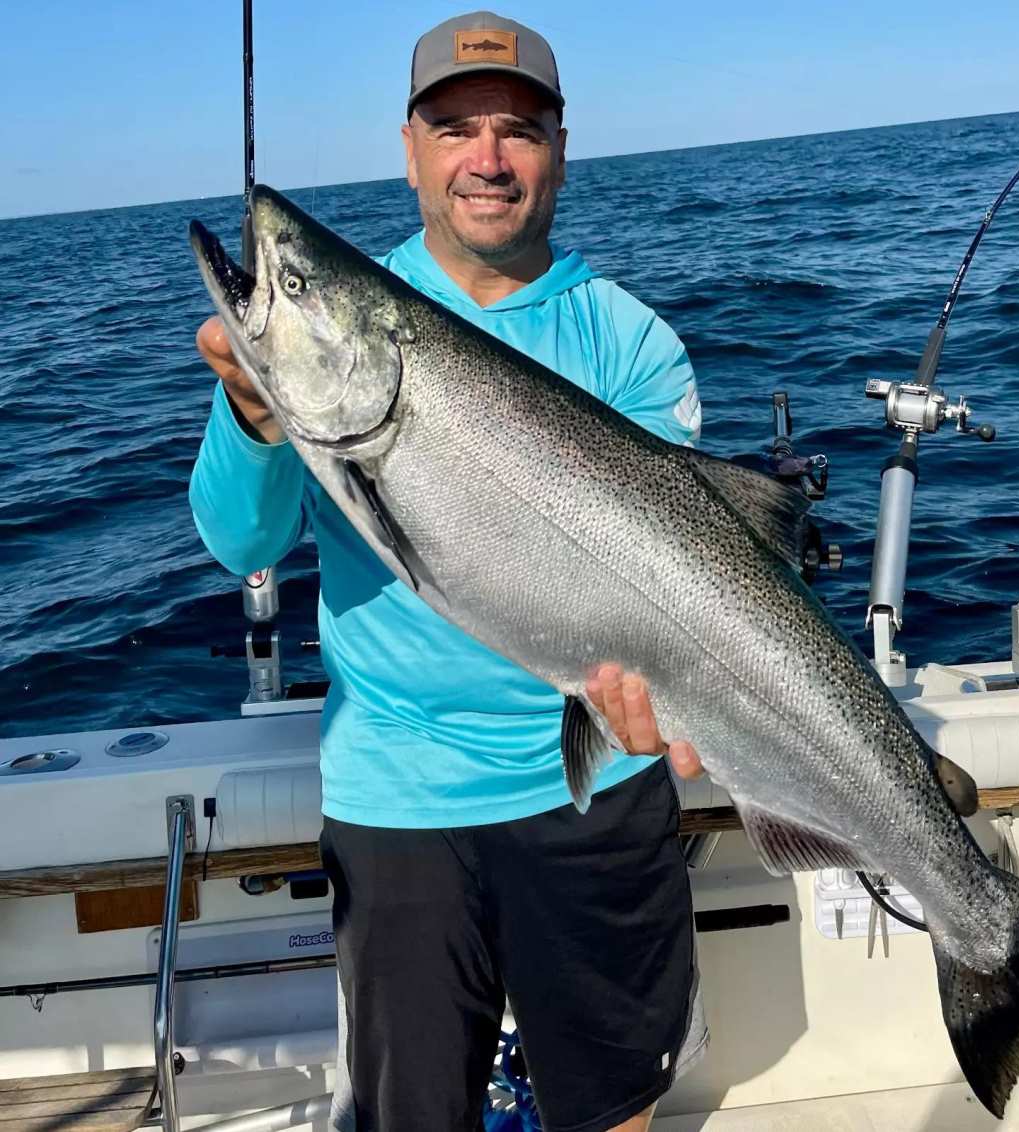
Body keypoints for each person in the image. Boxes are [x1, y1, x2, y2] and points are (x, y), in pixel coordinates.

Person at [189, 10, 707, 1132]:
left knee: (616, 1108)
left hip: (597, 788)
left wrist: (661, 692)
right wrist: (250, 406)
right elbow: (241, 545)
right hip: (400, 795)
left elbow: (694, 573)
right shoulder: (334, 325)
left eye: (518, 130)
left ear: (559, 149)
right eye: (457, 127)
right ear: (413, 148)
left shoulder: (630, 341)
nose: (488, 157)